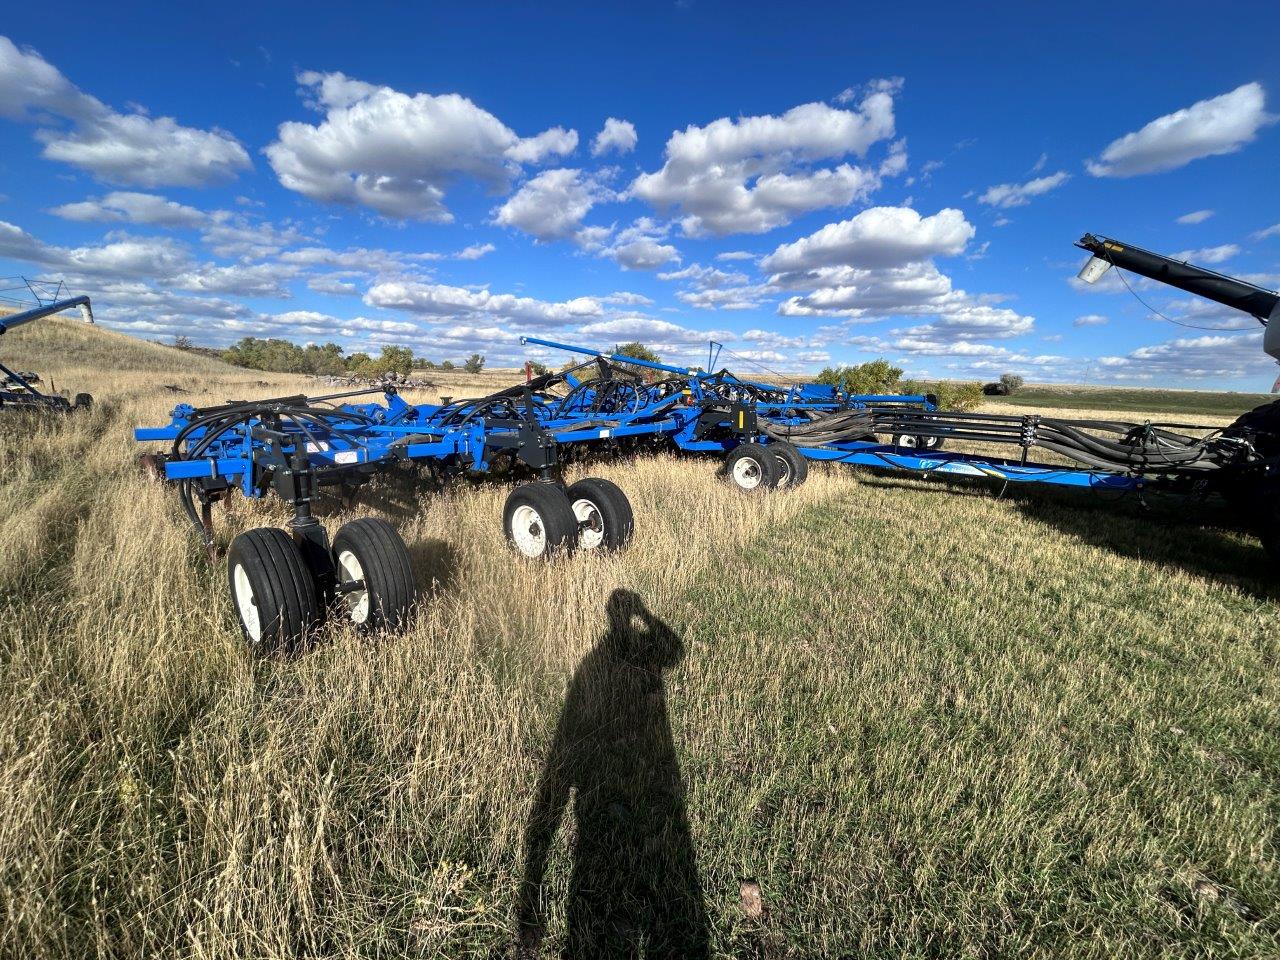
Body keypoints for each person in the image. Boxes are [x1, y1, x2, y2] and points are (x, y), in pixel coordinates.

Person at [519, 589, 709, 957]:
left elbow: (675, 652)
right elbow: (673, 651)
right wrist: (646, 616)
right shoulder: (602, 662)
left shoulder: (594, 664)